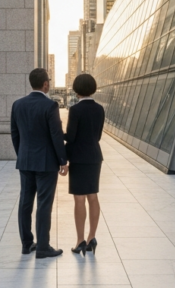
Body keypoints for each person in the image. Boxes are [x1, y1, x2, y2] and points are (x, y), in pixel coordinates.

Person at [10, 68, 68, 259]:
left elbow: (15, 134)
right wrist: (63, 160)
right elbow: (56, 135)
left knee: (25, 202)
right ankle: (43, 247)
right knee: (44, 204)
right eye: (49, 82)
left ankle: (27, 245)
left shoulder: (17, 105)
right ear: (45, 84)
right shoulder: (50, 106)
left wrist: (23, 155)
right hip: (46, 163)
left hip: (25, 161)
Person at [64, 73, 105, 255]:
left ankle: (80, 240)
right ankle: (92, 237)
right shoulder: (100, 109)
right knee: (93, 196)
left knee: (79, 198)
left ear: (77, 89)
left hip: (79, 159)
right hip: (95, 157)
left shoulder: (75, 110)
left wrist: (59, 136)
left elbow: (71, 138)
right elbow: (98, 136)